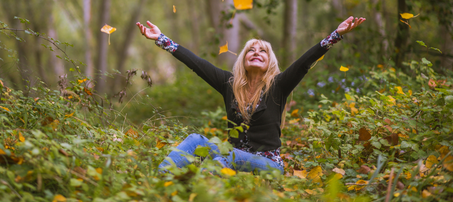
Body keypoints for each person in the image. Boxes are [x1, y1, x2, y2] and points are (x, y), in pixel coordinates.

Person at [136, 16, 366, 174]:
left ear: (270, 62)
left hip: (268, 164)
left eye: (263, 51)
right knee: (197, 141)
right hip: (232, 156)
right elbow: (197, 63)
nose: (256, 52)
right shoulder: (229, 84)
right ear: (243, 60)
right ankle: (161, 179)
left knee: (222, 159)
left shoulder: (278, 85)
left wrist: (335, 35)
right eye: (251, 50)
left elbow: (305, 62)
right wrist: (161, 39)